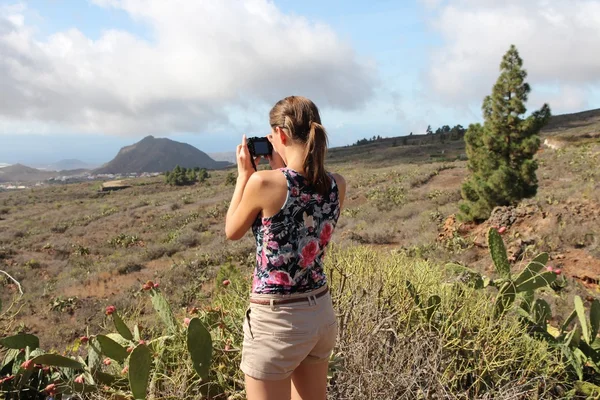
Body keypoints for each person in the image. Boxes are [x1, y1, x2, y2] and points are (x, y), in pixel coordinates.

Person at [225, 96, 346, 400]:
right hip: (319, 312)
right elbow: (301, 199)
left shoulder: (263, 183)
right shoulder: (336, 185)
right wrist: (280, 166)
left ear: (280, 135)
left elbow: (232, 231)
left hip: (276, 321)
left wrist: (244, 176)